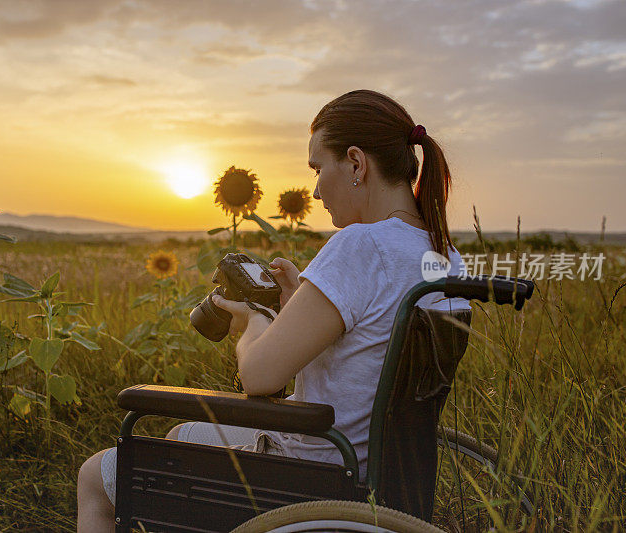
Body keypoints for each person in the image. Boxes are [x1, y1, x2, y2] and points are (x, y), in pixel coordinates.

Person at [76, 89, 471, 532]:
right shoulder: (442, 255)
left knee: (95, 477)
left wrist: (254, 324)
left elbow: (262, 378)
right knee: (180, 442)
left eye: (319, 169)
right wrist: (297, 309)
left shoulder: (361, 245)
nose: (317, 190)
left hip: (315, 475)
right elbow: (371, 355)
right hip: (383, 474)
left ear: (357, 163)